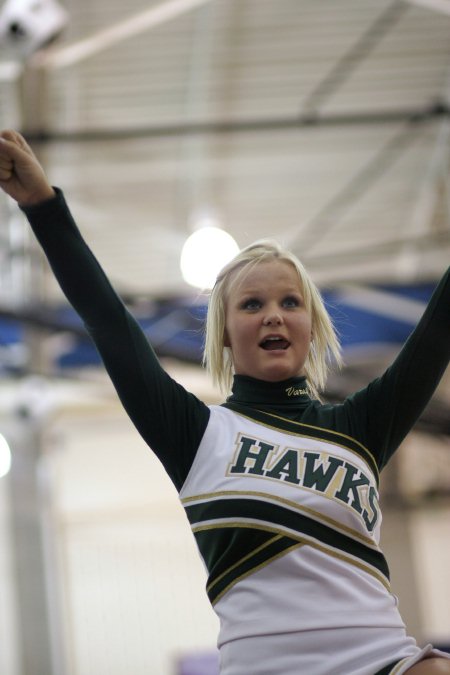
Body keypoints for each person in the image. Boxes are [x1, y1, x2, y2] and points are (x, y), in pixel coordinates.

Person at [0, 129, 449, 675]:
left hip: (381, 660)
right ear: (226, 336)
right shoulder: (196, 434)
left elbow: (435, 335)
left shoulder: (360, 426)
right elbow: (110, 324)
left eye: (291, 302)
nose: (274, 314)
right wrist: (44, 206)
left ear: (312, 327)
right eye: (252, 304)